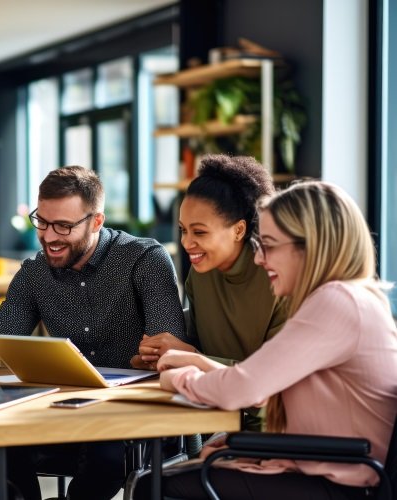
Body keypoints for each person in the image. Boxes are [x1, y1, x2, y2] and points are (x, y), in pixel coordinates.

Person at [143, 181, 397, 499]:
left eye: (269, 245)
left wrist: (179, 377)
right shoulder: (344, 299)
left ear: (311, 246)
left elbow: (246, 388)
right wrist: (251, 447)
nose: (260, 260)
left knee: (152, 486)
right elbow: (273, 395)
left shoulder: (337, 302)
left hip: (342, 483)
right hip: (325, 467)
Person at [0, 166, 186, 500]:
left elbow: (169, 346)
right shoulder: (35, 272)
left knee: (106, 455)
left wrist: (154, 357)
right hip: (64, 412)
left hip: (131, 419)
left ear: (97, 221)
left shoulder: (144, 260)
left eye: (63, 226)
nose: (48, 236)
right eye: (42, 222)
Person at [132, 154, 286, 430]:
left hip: (271, 428)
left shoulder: (278, 279)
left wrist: (189, 354)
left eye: (199, 232)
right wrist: (160, 355)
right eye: (182, 230)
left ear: (238, 230)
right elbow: (207, 338)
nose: (186, 243)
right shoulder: (202, 275)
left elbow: (273, 383)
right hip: (218, 417)